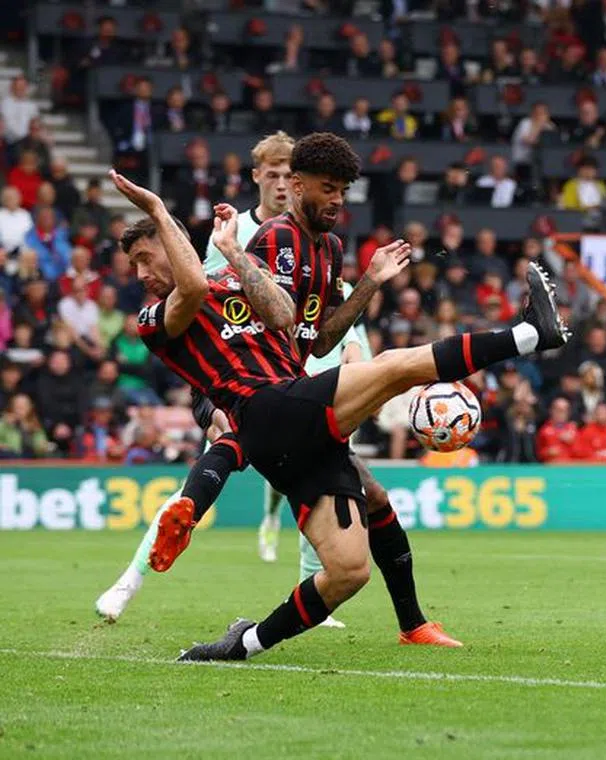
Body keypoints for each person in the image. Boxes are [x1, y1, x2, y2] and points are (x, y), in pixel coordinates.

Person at [110, 147, 567, 662]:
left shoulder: (289, 262)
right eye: (137, 263)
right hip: (264, 407)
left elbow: (317, 339)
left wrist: (368, 280)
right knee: (393, 368)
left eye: (146, 257)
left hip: (291, 419)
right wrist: (161, 213)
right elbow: (251, 303)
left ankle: (244, 642)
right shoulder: (160, 314)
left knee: (349, 570)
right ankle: (530, 334)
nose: (141, 271)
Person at [95, 133, 450, 643]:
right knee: (235, 440)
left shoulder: (322, 241)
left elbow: (323, 329)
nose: (285, 181)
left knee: (362, 490)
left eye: (291, 172)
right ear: (260, 176)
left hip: (286, 377)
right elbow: (196, 289)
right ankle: (132, 577)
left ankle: (392, 615)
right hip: (229, 374)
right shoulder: (236, 231)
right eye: (276, 172)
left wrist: (368, 288)